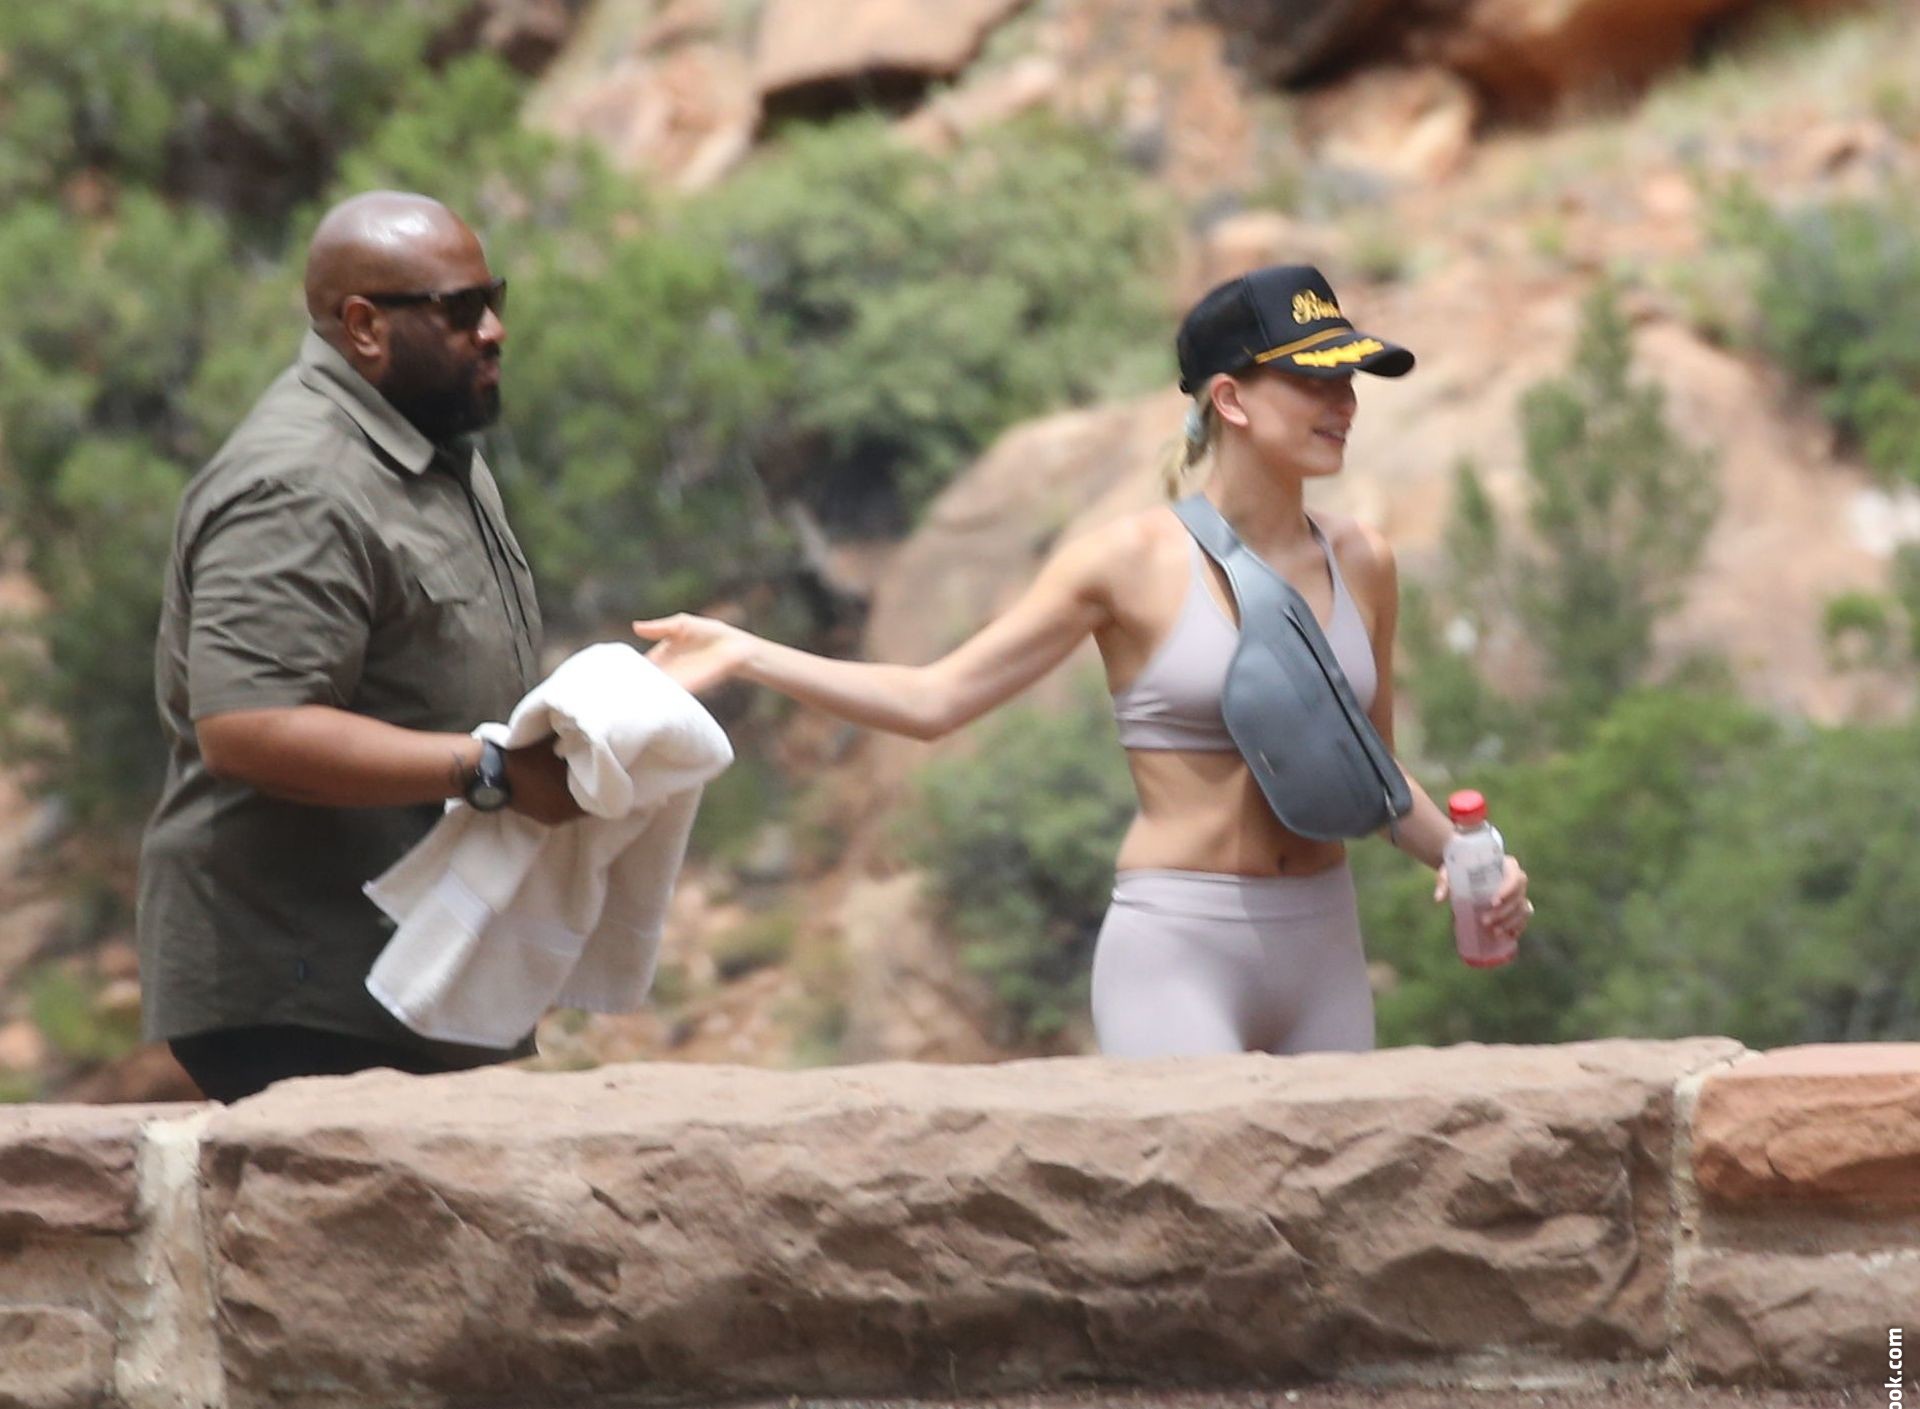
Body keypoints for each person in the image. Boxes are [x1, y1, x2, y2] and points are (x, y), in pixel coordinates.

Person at [635, 265, 1532, 1057]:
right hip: (1181, 950)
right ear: (1230, 399)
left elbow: (1374, 776)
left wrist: (1465, 859)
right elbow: (934, 699)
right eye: (1313, 380)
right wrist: (747, 653)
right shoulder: (1127, 561)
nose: (1345, 405)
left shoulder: (1363, 559)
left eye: (1350, 380)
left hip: (1326, 947)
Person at [138, 191, 582, 1103]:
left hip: (416, 976)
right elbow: (251, 729)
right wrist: (491, 770)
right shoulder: (300, 484)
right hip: (308, 992)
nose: (494, 330)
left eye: (494, 300)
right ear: (365, 327)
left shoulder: (424, 443)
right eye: (461, 310)